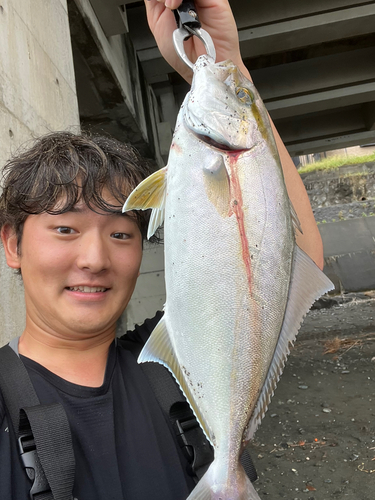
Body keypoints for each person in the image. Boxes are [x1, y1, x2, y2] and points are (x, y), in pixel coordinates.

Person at [0, 1, 324, 499]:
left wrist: (225, 63)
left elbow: (285, 257)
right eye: (66, 230)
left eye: (121, 233)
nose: (95, 258)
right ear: (12, 244)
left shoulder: (171, 369)